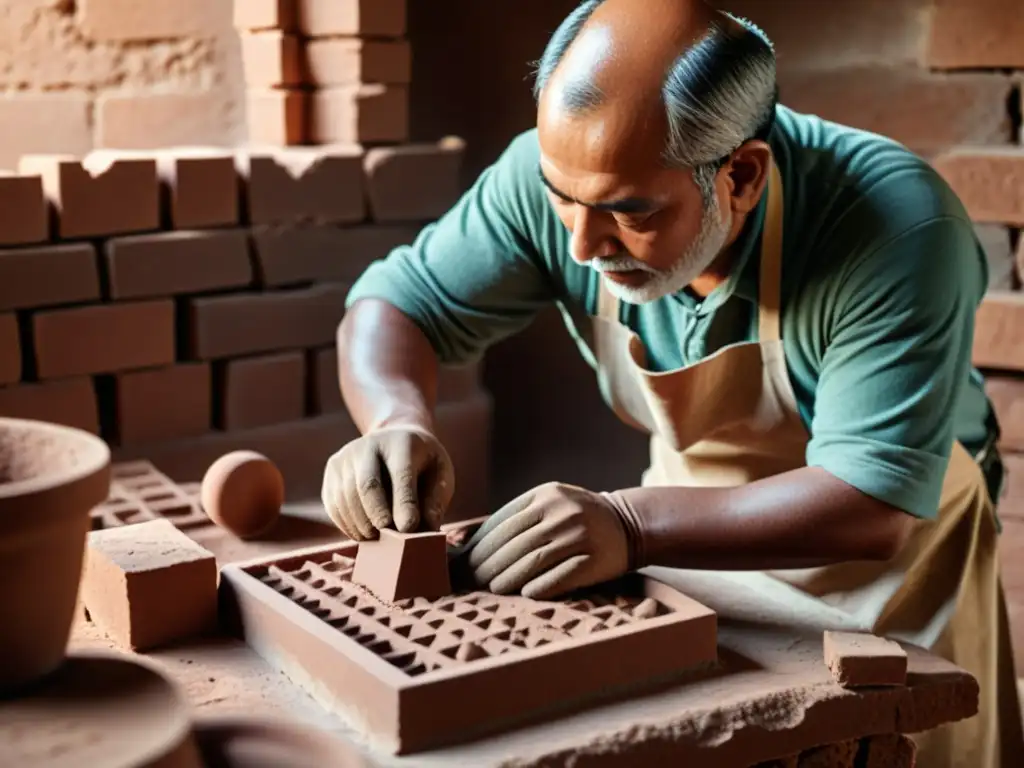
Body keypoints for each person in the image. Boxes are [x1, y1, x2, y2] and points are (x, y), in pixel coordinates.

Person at [321, 0, 1023, 764]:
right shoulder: (559, 180)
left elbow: (871, 499)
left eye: (632, 213)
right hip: (698, 535)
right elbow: (395, 307)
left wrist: (632, 525)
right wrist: (396, 419)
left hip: (891, 570)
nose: (583, 244)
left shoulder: (898, 225)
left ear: (743, 176)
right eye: (563, 199)